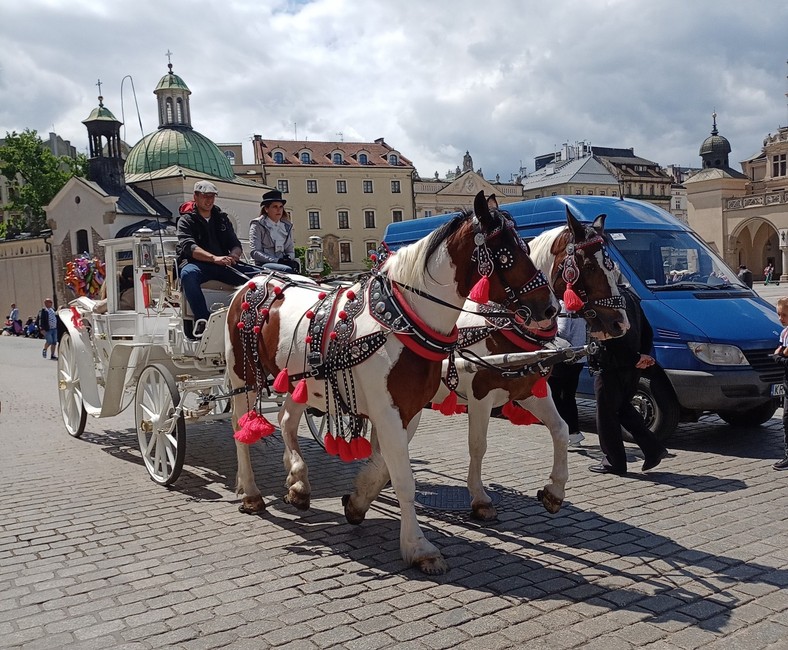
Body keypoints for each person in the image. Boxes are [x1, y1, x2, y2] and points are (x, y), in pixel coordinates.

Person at [587, 285, 670, 476]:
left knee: (606, 415)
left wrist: (636, 358)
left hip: (611, 365)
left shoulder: (605, 298)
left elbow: (609, 338)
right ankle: (653, 449)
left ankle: (613, 462)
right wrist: (641, 355)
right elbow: (646, 329)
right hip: (630, 366)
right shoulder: (630, 296)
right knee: (623, 409)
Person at [176, 180, 259, 337]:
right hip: (199, 265)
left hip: (223, 265)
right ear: (195, 197)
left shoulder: (221, 218)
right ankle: (203, 320)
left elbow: (234, 243)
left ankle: (254, 319)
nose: (209, 200)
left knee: (260, 277)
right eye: (205, 196)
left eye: (212, 196)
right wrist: (214, 258)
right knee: (188, 275)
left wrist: (234, 255)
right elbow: (190, 247)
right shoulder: (186, 221)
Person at [548, 300, 587, 447]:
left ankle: (567, 432)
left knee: (555, 396)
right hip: (579, 357)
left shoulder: (564, 306)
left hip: (563, 358)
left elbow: (562, 331)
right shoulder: (580, 305)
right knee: (569, 397)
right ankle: (574, 432)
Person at [249, 189, 299, 273]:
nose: (278, 210)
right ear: (266, 209)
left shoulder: (287, 226)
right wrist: (277, 260)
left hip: (282, 263)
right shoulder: (257, 224)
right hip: (263, 264)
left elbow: (290, 250)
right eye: (275, 207)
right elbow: (255, 252)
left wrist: (288, 258)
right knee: (287, 270)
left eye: (281, 207)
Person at [768, 296, 788, 471]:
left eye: (784, 315)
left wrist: (777, 358)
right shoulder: (784, 333)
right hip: (787, 382)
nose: (781, 319)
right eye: (780, 315)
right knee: (786, 419)